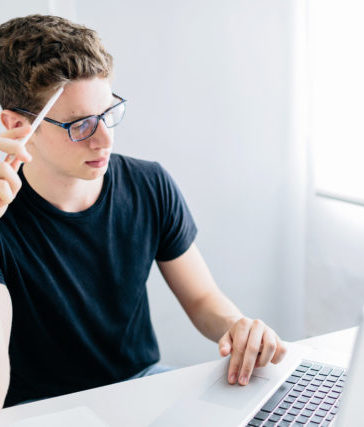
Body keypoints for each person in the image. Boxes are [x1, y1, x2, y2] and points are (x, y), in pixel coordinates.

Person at [0, 14, 286, 408]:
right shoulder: (3, 218)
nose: (104, 139)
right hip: (41, 411)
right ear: (16, 125)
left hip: (141, 386)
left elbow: (202, 298)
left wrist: (236, 326)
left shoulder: (148, 184)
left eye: (108, 113)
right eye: (80, 124)